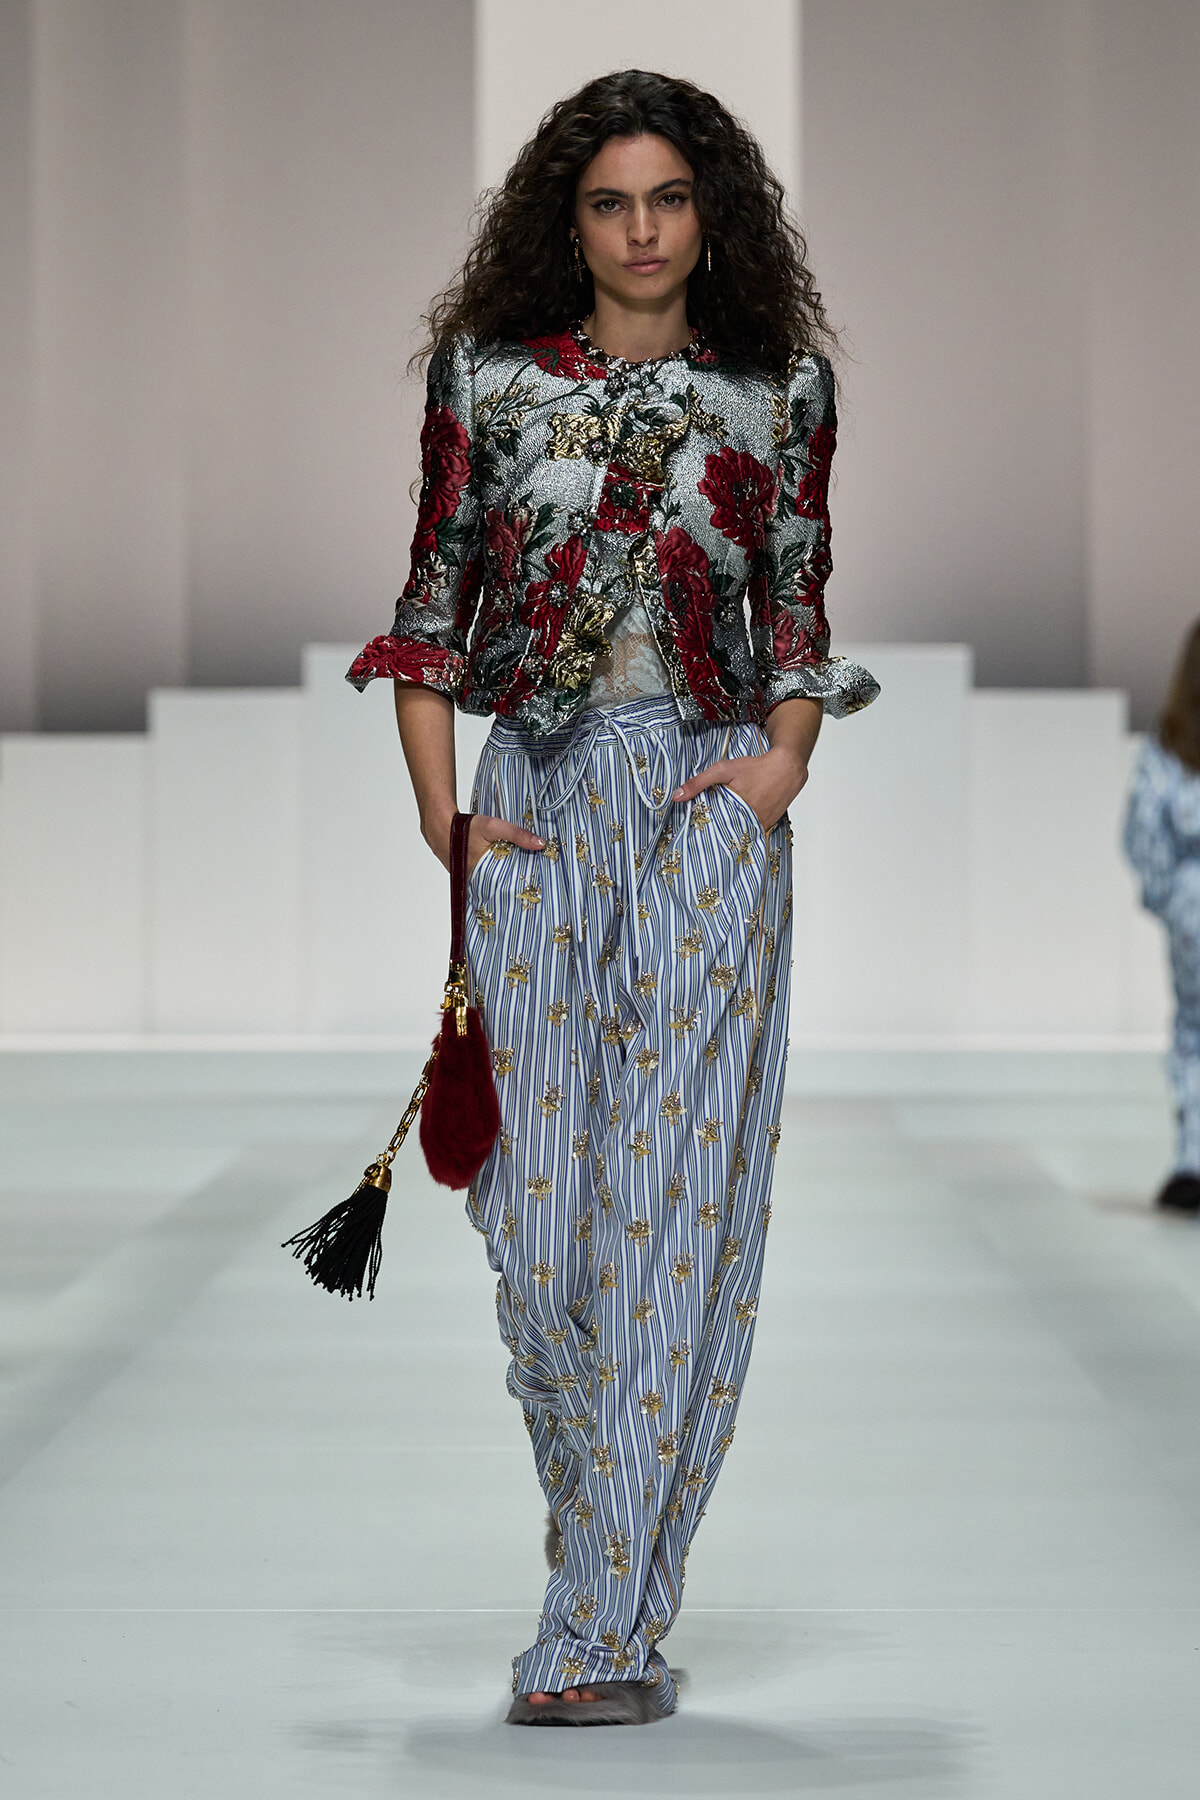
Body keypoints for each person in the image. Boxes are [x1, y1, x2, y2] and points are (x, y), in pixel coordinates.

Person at [347, 68, 879, 1724]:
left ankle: (588, 1628)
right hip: (531, 802)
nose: (643, 230)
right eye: (609, 202)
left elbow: (799, 601)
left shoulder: (779, 388)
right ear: (565, 222)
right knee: (541, 1216)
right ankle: (611, 1562)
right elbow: (431, 604)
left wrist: (781, 769)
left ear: (710, 213)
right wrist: (444, 820)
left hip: (711, 797)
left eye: (669, 198)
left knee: (673, 1190)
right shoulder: (489, 378)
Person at [1125, 618, 1200, 1216]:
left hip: (1192, 904)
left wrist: (1169, 899)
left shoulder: (1171, 744)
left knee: (1194, 1031)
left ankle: (1194, 1159)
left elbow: (1144, 827)